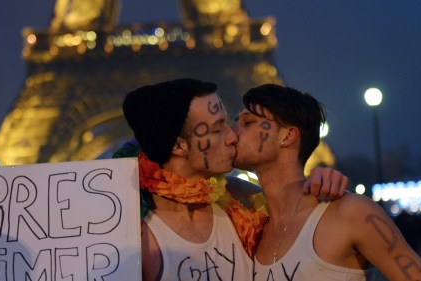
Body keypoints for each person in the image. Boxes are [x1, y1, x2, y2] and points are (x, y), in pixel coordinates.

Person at [122, 79, 348, 280]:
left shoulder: (244, 205)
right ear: (178, 145)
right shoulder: (133, 236)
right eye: (217, 129)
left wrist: (319, 179)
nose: (232, 136)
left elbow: (292, 200)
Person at [232, 84, 421, 280]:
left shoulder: (351, 213)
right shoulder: (254, 229)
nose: (232, 133)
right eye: (236, 122)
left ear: (287, 136)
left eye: (248, 123)